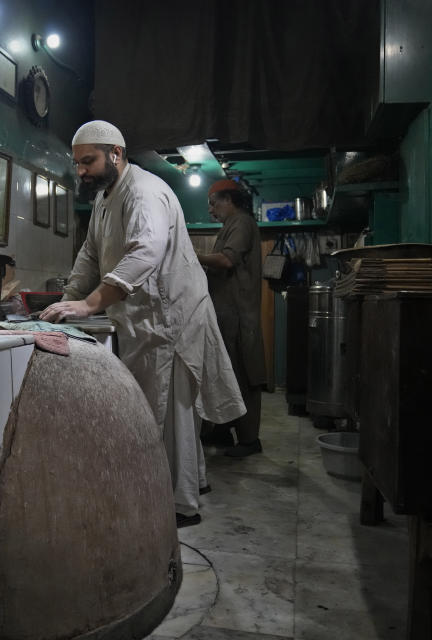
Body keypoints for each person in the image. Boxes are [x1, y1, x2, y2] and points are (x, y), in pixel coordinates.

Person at [40, 120, 246, 528]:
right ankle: (193, 482)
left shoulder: (143, 191)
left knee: (170, 411)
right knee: (173, 415)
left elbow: (144, 253)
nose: (80, 170)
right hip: (147, 317)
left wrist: (90, 304)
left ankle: (179, 506)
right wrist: (67, 302)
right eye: (77, 162)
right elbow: (90, 256)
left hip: (171, 317)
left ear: (115, 154)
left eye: (88, 161)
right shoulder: (105, 196)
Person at [197, 179, 267, 457]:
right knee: (225, 374)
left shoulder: (242, 222)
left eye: (214, 203)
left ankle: (250, 440)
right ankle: (224, 430)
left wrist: (191, 256)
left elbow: (227, 261)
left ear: (229, 199)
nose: (212, 210)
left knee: (243, 374)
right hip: (226, 313)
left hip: (239, 314)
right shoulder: (230, 225)